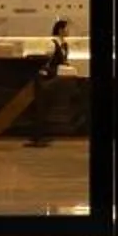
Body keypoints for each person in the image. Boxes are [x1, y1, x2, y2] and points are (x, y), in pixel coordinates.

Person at [26, 18, 70, 148]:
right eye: (67, 28)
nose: (69, 31)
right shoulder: (52, 43)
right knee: (41, 107)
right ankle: (37, 136)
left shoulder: (65, 44)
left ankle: (43, 135)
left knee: (48, 107)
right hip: (46, 78)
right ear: (60, 30)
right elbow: (46, 60)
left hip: (55, 78)